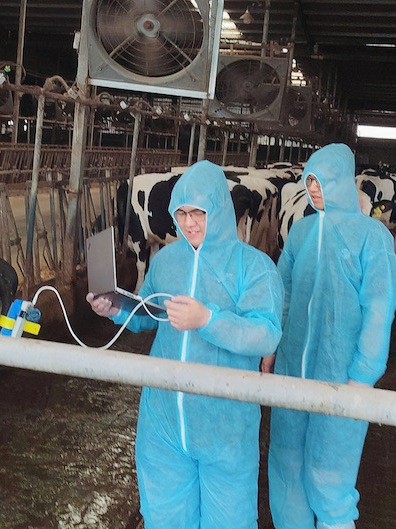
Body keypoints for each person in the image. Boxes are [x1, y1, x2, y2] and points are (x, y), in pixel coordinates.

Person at [87, 160, 283, 529]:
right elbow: (148, 313)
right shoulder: (168, 260)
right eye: (181, 212)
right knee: (165, 518)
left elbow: (266, 333)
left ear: (220, 209)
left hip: (224, 429)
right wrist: (116, 307)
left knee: (228, 522)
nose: (189, 222)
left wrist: (207, 320)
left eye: (198, 212)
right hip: (163, 423)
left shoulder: (254, 267)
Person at [262, 143, 396, 529]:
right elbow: (283, 294)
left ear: (341, 182)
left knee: (328, 478)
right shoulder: (302, 231)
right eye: (309, 180)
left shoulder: (373, 237)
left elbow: (379, 308)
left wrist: (363, 375)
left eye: (322, 180)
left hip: (342, 376)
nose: (314, 188)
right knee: (286, 467)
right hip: (291, 370)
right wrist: (271, 350)